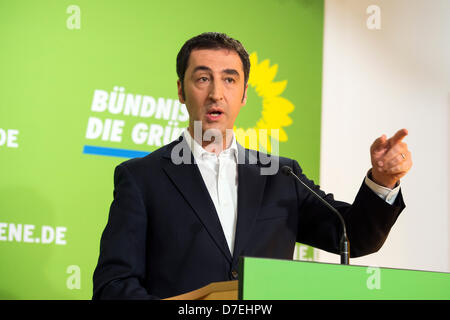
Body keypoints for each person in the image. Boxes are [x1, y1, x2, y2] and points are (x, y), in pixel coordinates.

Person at [92, 32, 412, 300]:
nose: (216, 93)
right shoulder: (142, 178)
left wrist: (382, 180)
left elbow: (352, 235)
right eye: (203, 78)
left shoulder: (281, 176)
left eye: (229, 79)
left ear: (245, 93)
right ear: (180, 90)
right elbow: (113, 286)